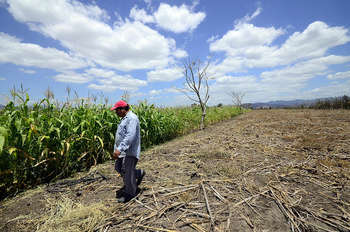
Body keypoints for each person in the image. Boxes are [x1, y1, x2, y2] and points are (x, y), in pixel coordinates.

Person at [110, 100, 145, 203]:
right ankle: (138, 173)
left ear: (123, 109)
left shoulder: (132, 118)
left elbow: (130, 136)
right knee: (119, 168)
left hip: (129, 151)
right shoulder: (124, 118)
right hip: (123, 151)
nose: (116, 112)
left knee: (127, 172)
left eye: (117, 110)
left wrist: (119, 149)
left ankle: (131, 194)